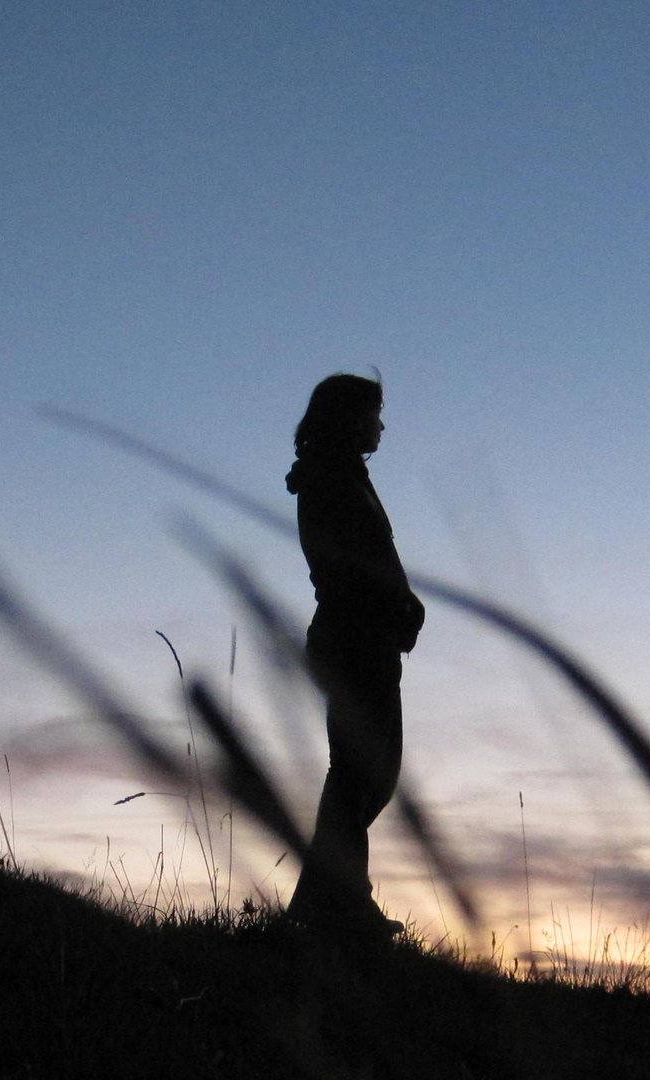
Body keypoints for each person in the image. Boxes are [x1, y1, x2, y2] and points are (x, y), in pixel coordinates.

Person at [283, 373, 423, 939]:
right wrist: (398, 607)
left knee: (369, 774)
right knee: (360, 772)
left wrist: (402, 610)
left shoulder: (344, 476)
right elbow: (351, 566)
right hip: (353, 638)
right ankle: (339, 904)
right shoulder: (332, 479)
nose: (382, 424)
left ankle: (324, 899)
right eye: (375, 413)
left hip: (365, 637)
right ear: (348, 417)